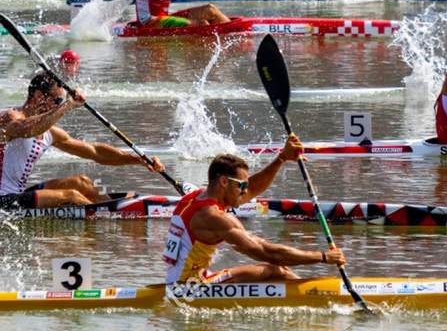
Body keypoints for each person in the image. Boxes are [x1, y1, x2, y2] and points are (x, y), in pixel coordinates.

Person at [163, 136, 345, 284]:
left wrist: (281, 159)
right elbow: (267, 253)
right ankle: (323, 297)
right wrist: (322, 257)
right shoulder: (213, 217)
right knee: (277, 269)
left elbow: (251, 190)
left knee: (277, 271)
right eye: (241, 184)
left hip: (184, 279)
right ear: (224, 182)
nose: (244, 190)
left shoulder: (194, 197)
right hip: (190, 288)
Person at [0, 73, 166, 210]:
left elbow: (95, 152)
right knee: (71, 195)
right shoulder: (10, 117)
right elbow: (27, 129)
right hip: (3, 200)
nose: (59, 105)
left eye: (61, 102)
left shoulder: (51, 133)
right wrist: (66, 107)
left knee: (82, 182)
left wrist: (141, 160)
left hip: (19, 194)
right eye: (57, 100)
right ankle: (109, 219)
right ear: (38, 96)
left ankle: (115, 209)